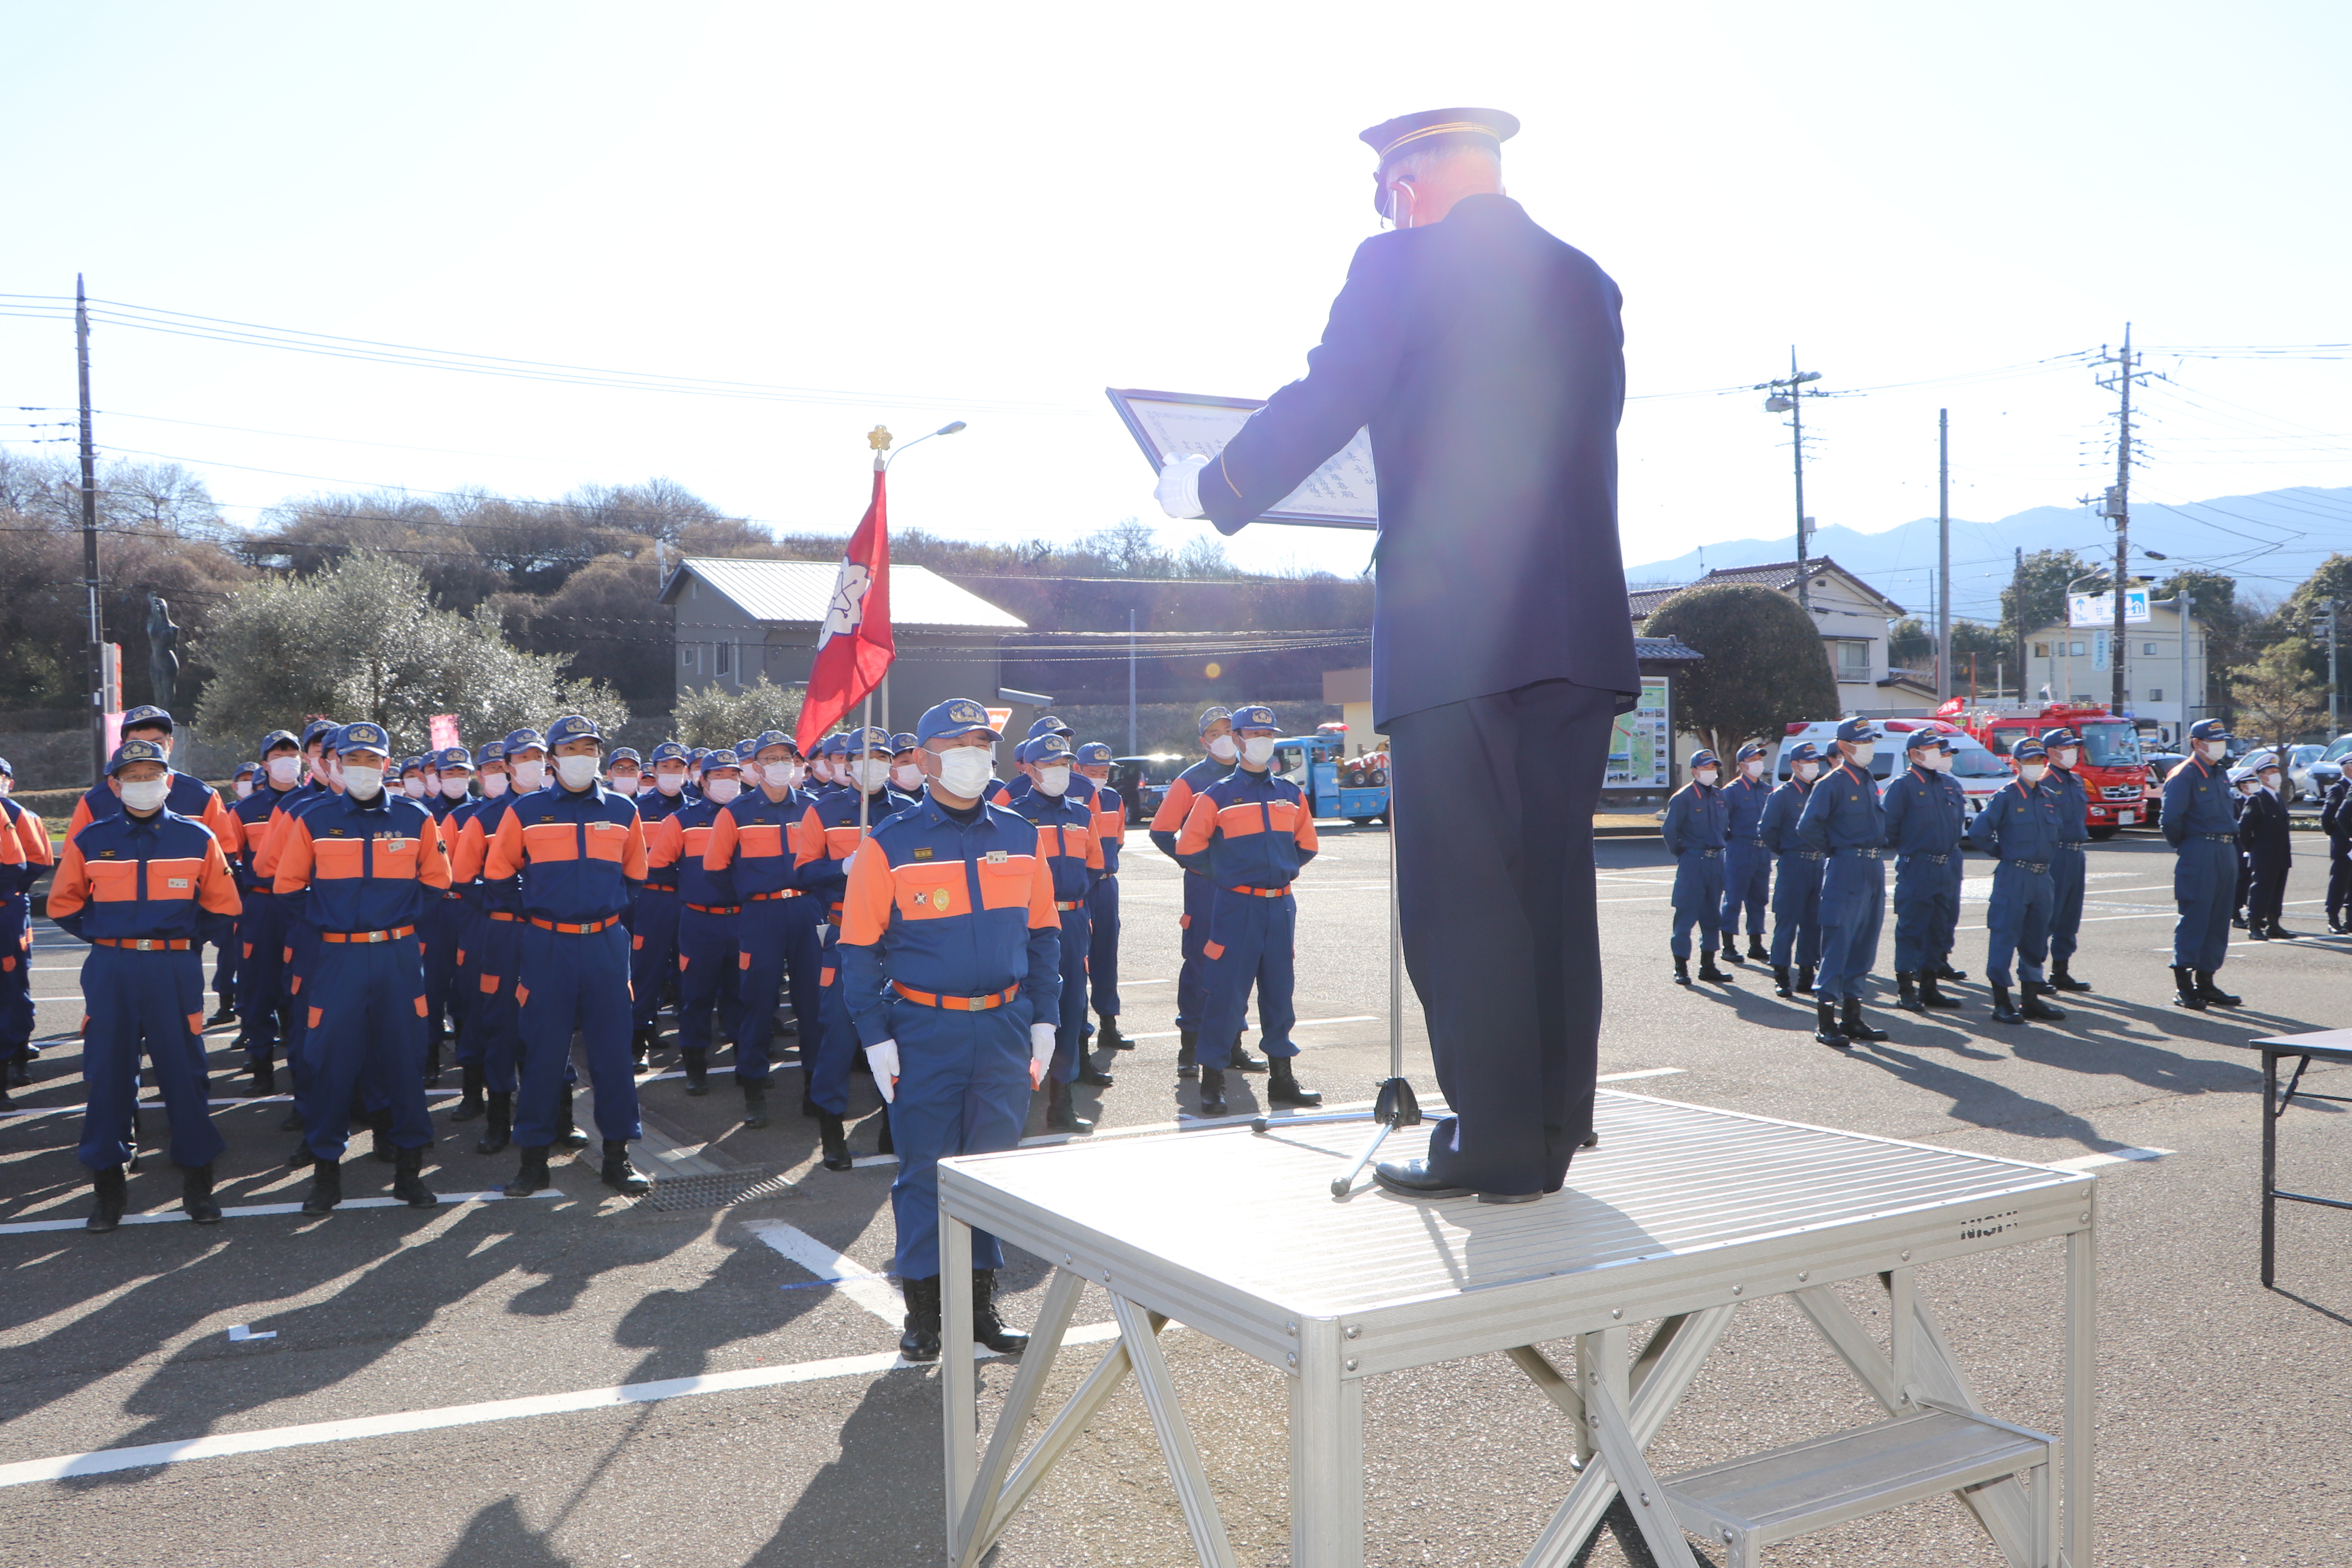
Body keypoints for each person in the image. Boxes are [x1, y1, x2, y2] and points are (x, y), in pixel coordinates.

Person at [1158, 110, 1638, 1202]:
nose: (1383, 211)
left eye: (1382, 192)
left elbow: (1333, 392)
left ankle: (1494, 1139)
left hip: (1457, 626)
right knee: (1553, 887)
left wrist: (1214, 486)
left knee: (1462, 895)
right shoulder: (1583, 278)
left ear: (1406, 184)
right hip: (1574, 627)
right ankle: (1554, 1127)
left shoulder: (1396, 264)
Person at [836, 700, 1058, 1360]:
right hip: (923, 1028)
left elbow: (1045, 934)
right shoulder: (890, 844)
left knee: (990, 1171)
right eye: (958, 743)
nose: (974, 753)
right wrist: (874, 1035)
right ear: (926, 759)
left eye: (983, 742)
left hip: (1004, 1025)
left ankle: (980, 1305)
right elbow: (857, 948)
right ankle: (925, 1311)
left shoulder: (1021, 834)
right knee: (924, 1171)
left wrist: (1045, 1016)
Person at [48, 738, 241, 1230]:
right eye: (131, 777)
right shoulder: (91, 841)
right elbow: (63, 905)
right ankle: (108, 1190)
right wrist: (106, 936)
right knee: (108, 1076)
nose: (142, 784)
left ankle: (198, 1184)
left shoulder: (197, 839)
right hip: (111, 969)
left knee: (185, 1075)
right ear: (114, 785)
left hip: (173, 970)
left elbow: (224, 907)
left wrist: (183, 941)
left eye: (151, 774)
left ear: (168, 781)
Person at [270, 722, 449, 1213]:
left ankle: (409, 1173)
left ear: (386, 765)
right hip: (337, 957)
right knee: (330, 1062)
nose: (363, 769)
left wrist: (396, 922)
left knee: (405, 1062)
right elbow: (287, 889)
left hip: (397, 955)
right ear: (335, 765)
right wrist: (331, 923)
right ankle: (327, 1174)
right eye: (353, 760)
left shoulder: (416, 817)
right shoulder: (312, 818)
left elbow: (436, 884)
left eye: (372, 760)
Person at [487, 713, 652, 1197]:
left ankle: (618, 1158)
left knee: (613, 1055)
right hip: (547, 945)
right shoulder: (525, 811)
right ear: (553, 758)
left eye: (590, 749)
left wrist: (600, 911)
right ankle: (533, 1161)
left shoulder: (623, 810)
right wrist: (540, 913)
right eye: (572, 749)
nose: (583, 757)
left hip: (604, 943)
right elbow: (498, 877)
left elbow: (636, 876)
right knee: (543, 1053)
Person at [1171, 705, 1324, 1120]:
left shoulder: (1290, 794)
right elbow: (1188, 848)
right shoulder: (1216, 795)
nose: (1262, 741)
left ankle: (1282, 1079)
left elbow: (1307, 845)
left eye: (1268, 734)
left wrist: (1277, 871)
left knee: (1279, 994)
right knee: (1225, 994)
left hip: (1280, 906)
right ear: (1237, 740)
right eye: (1254, 734)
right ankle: (1213, 1082)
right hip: (1236, 906)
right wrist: (1227, 875)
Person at [790, 725, 917, 1164]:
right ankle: (831, 1129)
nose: (875, 764)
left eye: (882, 757)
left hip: (898, 936)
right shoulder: (822, 812)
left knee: (899, 1033)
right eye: (864, 757)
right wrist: (842, 866)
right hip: (846, 935)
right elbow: (802, 873)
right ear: (846, 765)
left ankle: (891, 1126)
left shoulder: (910, 810)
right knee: (840, 1034)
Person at [67, 704, 243, 1023]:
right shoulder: (95, 801)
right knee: (115, 1039)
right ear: (122, 747)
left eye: (158, 742)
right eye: (138, 741)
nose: (149, 749)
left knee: (176, 1035)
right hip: (114, 950)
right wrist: (102, 931)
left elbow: (225, 858)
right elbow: (72, 872)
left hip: (179, 942)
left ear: (171, 745)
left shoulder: (200, 796)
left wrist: (192, 928)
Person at [703, 730, 817, 1131]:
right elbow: (715, 870)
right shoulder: (734, 813)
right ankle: (754, 1091)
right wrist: (749, 898)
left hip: (806, 912)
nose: (779, 765)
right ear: (754, 767)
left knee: (811, 1004)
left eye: (786, 757)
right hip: (760, 916)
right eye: (769, 759)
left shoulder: (812, 809)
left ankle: (813, 1090)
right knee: (757, 1002)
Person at [1005, 733, 1109, 1130]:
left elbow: (1095, 866)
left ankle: (1061, 1102)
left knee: (1070, 1006)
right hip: (1027, 923)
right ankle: (1016, 1097)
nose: (1059, 771)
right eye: (1049, 764)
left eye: (1064, 763)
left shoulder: (1082, 815)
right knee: (1023, 1006)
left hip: (1072, 919)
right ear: (1029, 770)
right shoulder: (1013, 817)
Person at [1147, 707, 1251, 1078]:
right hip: (1207, 889)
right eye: (1215, 732)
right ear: (1203, 741)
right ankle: (1189, 1048)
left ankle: (1233, 1044)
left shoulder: (1253, 777)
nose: (1223, 737)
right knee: (1201, 964)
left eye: (1228, 729)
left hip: (1248, 889)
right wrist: (1198, 865)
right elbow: (1161, 832)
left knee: (1240, 965)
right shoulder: (1190, 782)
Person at [646, 743, 744, 1096]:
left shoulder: (749, 815)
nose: (727, 782)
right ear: (702, 782)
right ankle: (696, 1067)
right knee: (697, 996)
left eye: (733, 775)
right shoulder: (682, 820)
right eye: (718, 775)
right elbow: (657, 868)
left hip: (742, 920)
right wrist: (691, 889)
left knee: (741, 995)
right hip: (700, 921)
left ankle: (744, 1065)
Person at [1796, 717, 1893, 1048]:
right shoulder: (1831, 783)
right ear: (1845, 747)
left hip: (1873, 868)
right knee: (1839, 942)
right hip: (1847, 867)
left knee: (1864, 943)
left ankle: (1853, 1016)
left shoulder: (1866, 780)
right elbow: (1808, 827)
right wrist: (1837, 851)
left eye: (1871, 742)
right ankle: (1826, 1021)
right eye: (1863, 742)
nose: (1869, 748)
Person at [1966, 738, 2067, 1027]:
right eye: (2029, 761)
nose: (2036, 766)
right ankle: (2001, 1002)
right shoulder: (2006, 796)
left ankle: (2031, 999)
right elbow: (1979, 833)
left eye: (2039, 760)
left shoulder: (2049, 797)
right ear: (2016, 764)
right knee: (2004, 937)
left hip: (2041, 877)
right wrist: (2004, 854)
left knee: (2036, 940)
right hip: (2014, 876)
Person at [227, 730, 304, 1093]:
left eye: (293, 752)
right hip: (262, 905)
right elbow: (226, 860)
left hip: (303, 905)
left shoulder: (314, 804)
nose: (287, 759)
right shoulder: (244, 810)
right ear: (265, 763)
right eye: (279, 753)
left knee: (302, 989)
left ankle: (301, 1071)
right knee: (259, 987)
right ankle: (261, 1067)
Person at [1883, 730, 1968, 1013]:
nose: (1935, 752)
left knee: (1938, 928)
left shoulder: (1948, 784)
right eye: (1929, 748)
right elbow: (1889, 829)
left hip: (1945, 866)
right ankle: (1906, 989)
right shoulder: (1903, 786)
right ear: (1914, 753)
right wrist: (1912, 851)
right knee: (1910, 929)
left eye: (1937, 747)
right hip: (1917, 866)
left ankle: (1930, 987)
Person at [2161, 718, 2243, 1011]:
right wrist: (2191, 845)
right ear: (2196, 743)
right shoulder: (2184, 775)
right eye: (2214, 740)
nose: (2220, 745)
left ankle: (2207, 982)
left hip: (2225, 850)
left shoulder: (2219, 773)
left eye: (2223, 739)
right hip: (2199, 849)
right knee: (2195, 918)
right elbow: (2170, 820)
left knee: (2219, 920)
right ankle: (2185, 986)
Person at [629, 741, 694, 1059]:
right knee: (647, 970)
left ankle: (691, 1040)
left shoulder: (696, 808)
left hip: (689, 901)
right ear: (653, 771)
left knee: (689, 971)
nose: (672, 773)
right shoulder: (636, 810)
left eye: (677, 767)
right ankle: (640, 1034)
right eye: (665, 767)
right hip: (652, 899)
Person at [418, 744, 474, 1084]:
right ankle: (430, 1058)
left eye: (461, 772)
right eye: (449, 773)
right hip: (433, 911)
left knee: (468, 988)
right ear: (436, 777)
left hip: (469, 908)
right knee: (431, 986)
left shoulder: (481, 812)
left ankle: (470, 1060)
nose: (455, 778)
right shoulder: (419, 812)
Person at [0, 756, 51, 1108]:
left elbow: (36, 861)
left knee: (14, 981)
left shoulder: (20, 815)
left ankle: (17, 1053)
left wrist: (13, 891)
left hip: (8, 907)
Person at [1073, 740, 1129, 1050]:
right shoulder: (1070, 800)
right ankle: (1079, 1030)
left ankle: (1109, 1023)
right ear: (1077, 769)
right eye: (1092, 771)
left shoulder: (1114, 799)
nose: (1099, 776)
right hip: (1079, 886)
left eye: (1104, 771)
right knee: (1076, 958)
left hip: (1106, 885)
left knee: (1106, 954)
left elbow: (1117, 841)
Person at [1662, 749, 1732, 986]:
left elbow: (1724, 829)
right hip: (1693, 861)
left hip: (1716, 862)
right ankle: (1681, 966)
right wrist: (1683, 853)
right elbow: (1670, 831)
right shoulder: (1684, 797)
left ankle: (1708, 965)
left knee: (1713, 916)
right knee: (1686, 914)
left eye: (1713, 768)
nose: (1710, 772)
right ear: (1694, 771)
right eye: (1706, 768)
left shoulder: (1719, 796)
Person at [1763, 743, 1824, 999]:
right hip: (1794, 863)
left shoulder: (1820, 791)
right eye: (1808, 762)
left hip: (1818, 863)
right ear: (1795, 765)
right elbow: (1768, 831)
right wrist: (1787, 851)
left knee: (1814, 922)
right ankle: (1782, 975)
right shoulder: (1782, 795)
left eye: (1815, 762)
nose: (1814, 766)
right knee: (1787, 921)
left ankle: (1808, 973)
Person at [2038, 726, 2095, 990]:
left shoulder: (2075, 780)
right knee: (2048, 915)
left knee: (2071, 916)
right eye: (2068, 747)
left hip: (2076, 853)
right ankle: (2033, 973)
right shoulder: (2043, 782)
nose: (2074, 752)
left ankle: (2060, 970)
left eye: (2075, 747)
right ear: (2051, 752)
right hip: (2055, 853)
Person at [1716, 741, 1774, 965]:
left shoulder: (1768, 790)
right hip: (1740, 849)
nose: (1758, 763)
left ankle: (1756, 943)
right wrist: (1731, 841)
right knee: (1733, 899)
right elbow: (1721, 823)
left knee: (1758, 899)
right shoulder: (1732, 791)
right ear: (1742, 765)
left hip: (1762, 850)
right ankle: (1728, 946)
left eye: (1759, 758)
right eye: (1752, 760)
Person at [2238, 754, 2295, 940]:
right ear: (2262, 777)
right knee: (2261, 891)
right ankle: (2254, 925)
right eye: (2272, 772)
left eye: (2277, 771)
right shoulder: (2257, 799)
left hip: (2281, 854)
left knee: (2277, 891)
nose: (2276, 775)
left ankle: (2274, 924)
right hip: (2264, 855)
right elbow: (2244, 828)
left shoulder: (2277, 797)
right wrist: (2252, 849)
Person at [2322, 769, 2352, 933]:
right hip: (2344, 843)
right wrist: (2338, 836)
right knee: (2339, 882)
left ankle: (2350, 920)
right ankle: (2333, 918)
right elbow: (2329, 818)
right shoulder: (2339, 788)